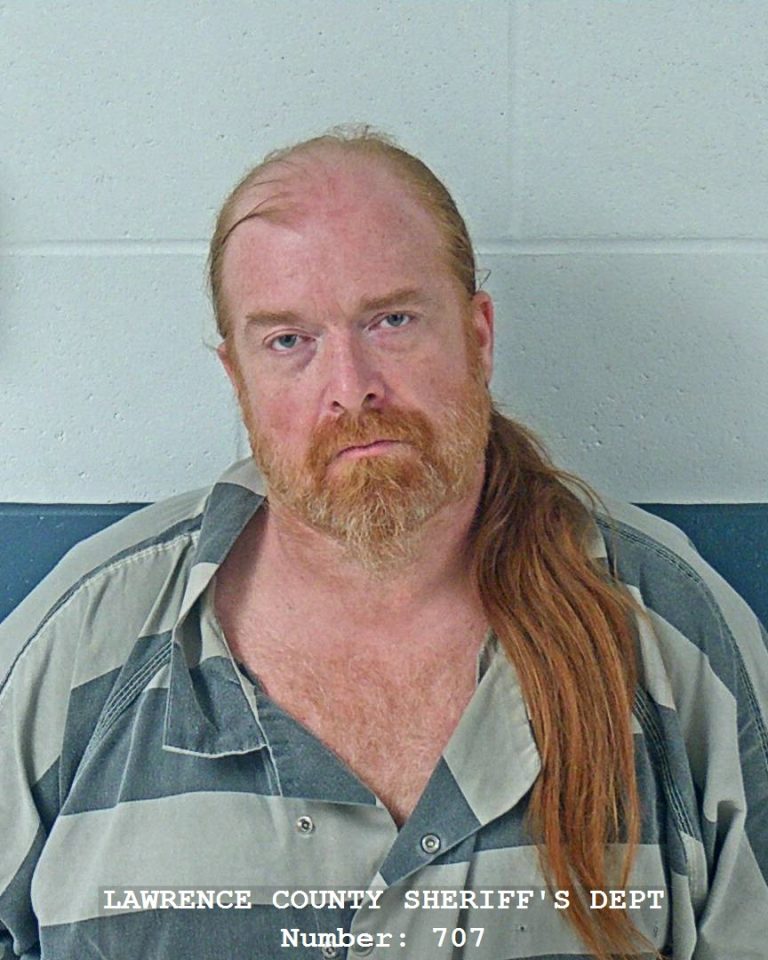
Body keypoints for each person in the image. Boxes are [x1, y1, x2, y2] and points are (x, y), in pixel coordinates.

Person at [0, 126, 766, 960]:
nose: (351, 388)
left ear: (478, 336)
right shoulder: (85, 646)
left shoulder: (668, 632)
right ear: (237, 379)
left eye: (392, 320)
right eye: (288, 341)